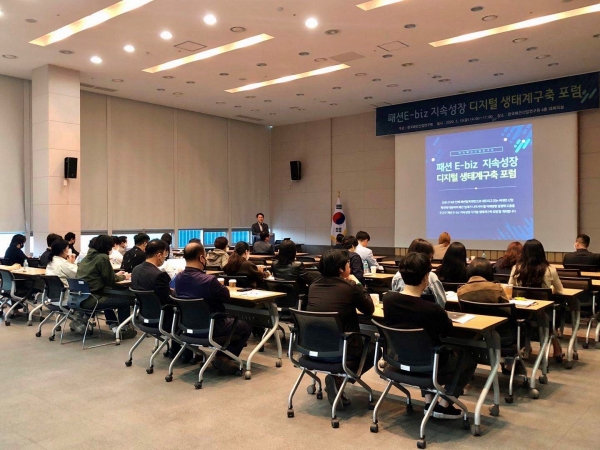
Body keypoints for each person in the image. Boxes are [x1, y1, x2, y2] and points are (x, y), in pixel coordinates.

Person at [384, 252, 477, 419]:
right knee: (467, 359)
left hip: (400, 359)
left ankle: (429, 401)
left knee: (419, 346)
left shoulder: (389, 300)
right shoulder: (431, 309)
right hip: (430, 363)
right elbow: (447, 331)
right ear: (426, 277)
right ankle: (445, 404)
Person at [306, 249, 374, 409]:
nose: (350, 266)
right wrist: (357, 282)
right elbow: (369, 309)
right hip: (340, 350)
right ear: (340, 269)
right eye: (348, 264)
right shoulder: (350, 287)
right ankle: (340, 378)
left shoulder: (313, 286)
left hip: (311, 348)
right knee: (374, 347)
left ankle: (338, 378)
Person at [174, 242, 252, 374]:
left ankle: (222, 356)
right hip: (212, 327)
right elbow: (226, 296)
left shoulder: (179, 278)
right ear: (201, 258)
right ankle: (224, 357)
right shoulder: (208, 280)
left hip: (186, 328)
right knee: (245, 326)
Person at [509, 239, 564, 359]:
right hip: (543, 313)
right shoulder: (550, 270)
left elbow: (510, 288)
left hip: (521, 312)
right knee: (552, 313)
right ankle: (556, 348)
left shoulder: (516, 268)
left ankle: (526, 347)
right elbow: (560, 291)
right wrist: (548, 290)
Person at [76, 235, 136, 339]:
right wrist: (124, 276)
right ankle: (124, 330)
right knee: (124, 301)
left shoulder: (87, 257)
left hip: (80, 297)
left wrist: (116, 275)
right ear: (107, 246)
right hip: (92, 298)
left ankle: (113, 326)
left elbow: (98, 274)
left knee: (108, 298)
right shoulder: (102, 257)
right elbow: (110, 280)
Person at [392, 238, 447, 308]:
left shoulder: (397, 276)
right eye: (430, 258)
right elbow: (441, 303)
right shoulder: (431, 277)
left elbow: (395, 300)